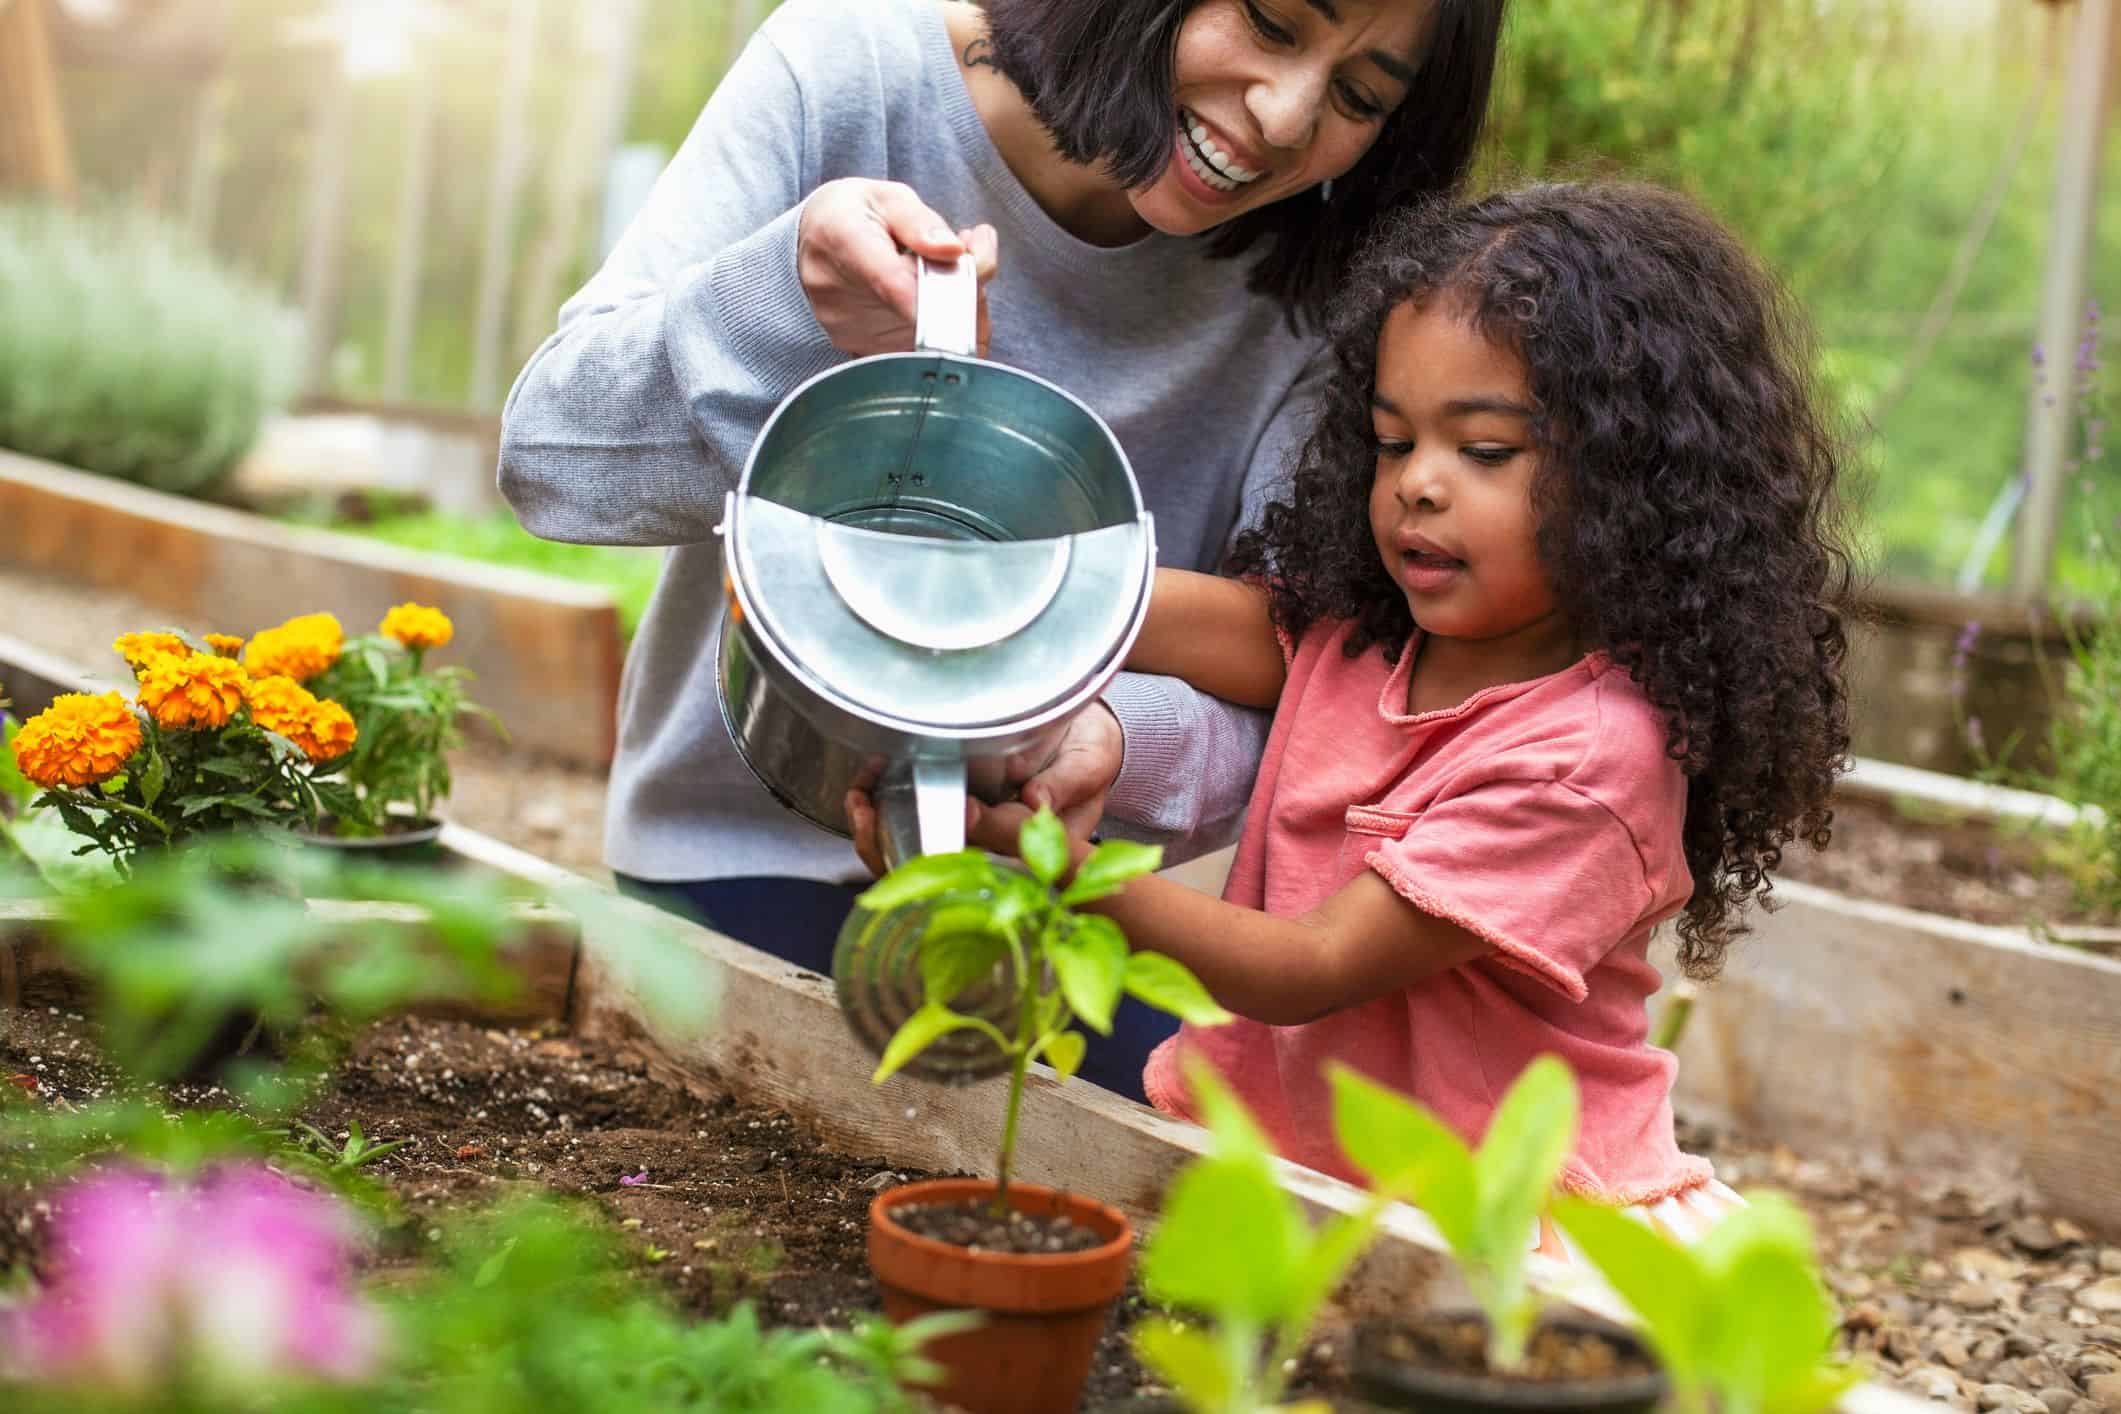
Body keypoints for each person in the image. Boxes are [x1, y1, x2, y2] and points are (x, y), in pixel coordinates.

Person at [498, 0, 1507, 1099]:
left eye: (1360, 96)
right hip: (740, 855)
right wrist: (787, 296)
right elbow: (553, 460)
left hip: (1055, 908)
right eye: (1269, 23)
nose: (1282, 114)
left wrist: (1113, 737)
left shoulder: (1318, 298)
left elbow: (1318, 691)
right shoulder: (855, 69)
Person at [861, 181, 1856, 1233]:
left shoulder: (1589, 756)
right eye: (1393, 440)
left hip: (1500, 1219)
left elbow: (1314, 966)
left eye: (1483, 451)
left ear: (1630, 480)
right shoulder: (1380, 639)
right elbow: (1231, 628)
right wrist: (1021, 590)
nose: (1417, 484)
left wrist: (1042, 867)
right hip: (1303, 1175)